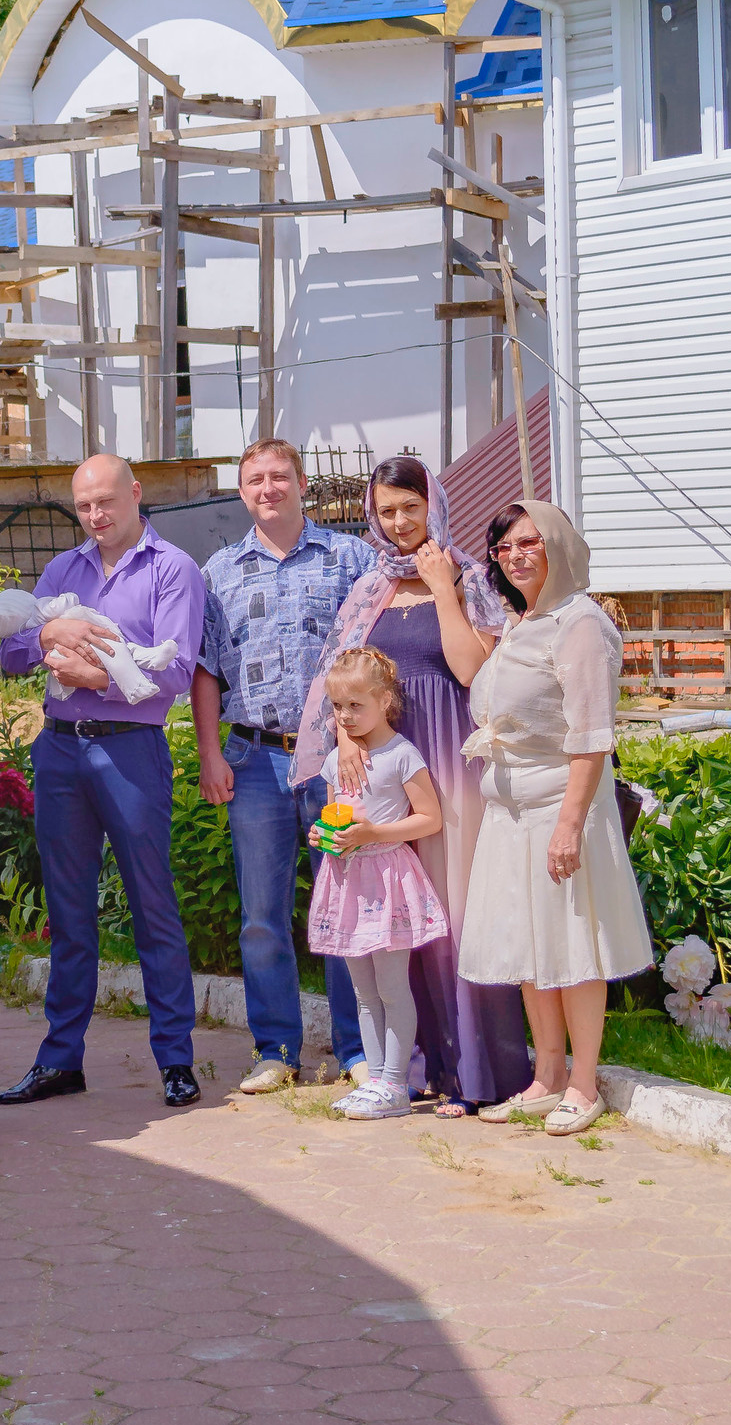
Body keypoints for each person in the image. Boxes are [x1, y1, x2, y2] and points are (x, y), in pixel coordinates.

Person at [291, 455, 529, 1116]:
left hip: (447, 764)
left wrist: (444, 589)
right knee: (393, 921)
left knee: (450, 918)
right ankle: (407, 1070)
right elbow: (341, 681)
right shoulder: (369, 588)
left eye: (409, 507)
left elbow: (471, 672)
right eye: (386, 510)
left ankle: (475, 1075)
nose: (398, 522)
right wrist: (343, 741)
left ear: (433, 506)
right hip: (378, 773)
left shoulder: (468, 578)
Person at [0, 453, 206, 1110]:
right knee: (68, 910)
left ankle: (175, 1060)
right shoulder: (63, 568)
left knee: (152, 906)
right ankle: (61, 1060)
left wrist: (93, 677)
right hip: (59, 751)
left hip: (129, 753)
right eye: (84, 506)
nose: (96, 516)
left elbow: (174, 676)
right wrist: (46, 634)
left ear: (135, 493)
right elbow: (7, 655)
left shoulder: (173, 570)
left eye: (106, 502)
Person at [459, 500, 654, 1138]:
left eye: (530, 543)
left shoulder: (581, 623)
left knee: (572, 949)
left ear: (560, 547)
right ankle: (544, 1077)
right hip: (508, 809)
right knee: (527, 945)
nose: (516, 555)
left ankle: (583, 1082)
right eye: (505, 546)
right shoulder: (523, 622)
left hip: (559, 806)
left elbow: (591, 735)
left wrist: (570, 825)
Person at [190, 438, 375, 1091]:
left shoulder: (352, 558)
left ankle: (357, 1049)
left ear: (302, 484)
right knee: (262, 916)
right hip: (254, 762)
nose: (266, 488)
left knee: (344, 905)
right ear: (241, 492)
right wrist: (209, 752)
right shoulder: (217, 573)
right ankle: (275, 1050)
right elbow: (205, 671)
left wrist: (362, 737)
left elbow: (375, 661)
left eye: (278, 477)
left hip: (335, 762)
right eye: (253, 480)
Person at [306, 647, 449, 1121]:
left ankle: (396, 1084)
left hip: (387, 882)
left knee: (392, 988)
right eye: (337, 707)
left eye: (355, 706)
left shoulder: (401, 755)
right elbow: (335, 818)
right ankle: (374, 1081)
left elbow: (429, 819)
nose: (344, 717)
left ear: (385, 701)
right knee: (363, 993)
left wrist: (372, 835)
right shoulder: (334, 762)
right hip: (347, 883)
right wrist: (325, 836)